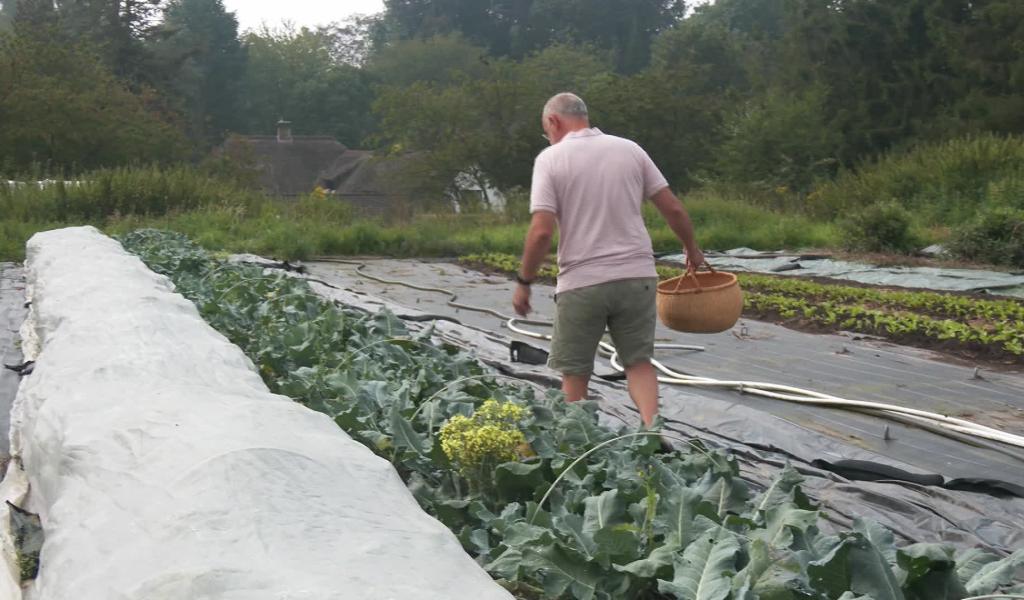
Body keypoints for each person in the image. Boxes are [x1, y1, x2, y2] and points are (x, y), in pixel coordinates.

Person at [512, 92, 704, 428]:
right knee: (639, 363)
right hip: (637, 276)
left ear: (554, 122)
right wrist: (692, 248)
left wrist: (524, 283)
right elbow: (672, 207)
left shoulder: (552, 158)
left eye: (547, 130)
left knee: (574, 371)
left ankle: (579, 441)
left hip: (583, 282)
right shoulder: (629, 149)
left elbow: (541, 232)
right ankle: (650, 428)